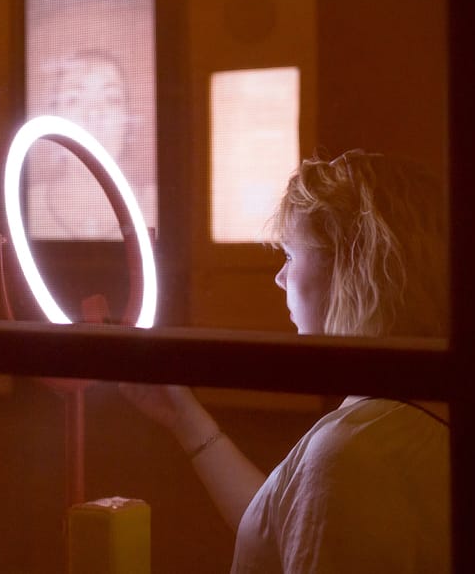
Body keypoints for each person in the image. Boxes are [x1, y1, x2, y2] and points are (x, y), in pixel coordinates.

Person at [121, 150, 450, 573]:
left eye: (291, 256)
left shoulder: (353, 453)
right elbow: (284, 524)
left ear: (349, 269)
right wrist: (186, 420)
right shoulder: (401, 412)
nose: (279, 278)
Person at [27, 49, 156, 239]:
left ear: (128, 120)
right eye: (74, 100)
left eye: (112, 99)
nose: (94, 114)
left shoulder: (156, 205)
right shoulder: (26, 205)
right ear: (54, 116)